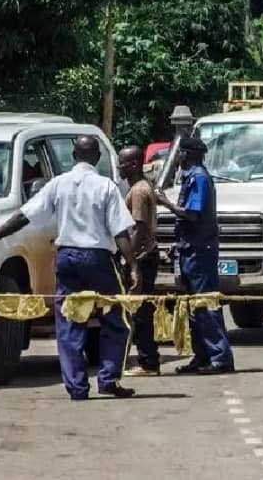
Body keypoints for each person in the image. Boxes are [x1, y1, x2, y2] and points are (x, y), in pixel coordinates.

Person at [0, 136, 140, 401]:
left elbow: (23, 216)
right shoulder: (105, 186)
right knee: (116, 319)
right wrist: (133, 265)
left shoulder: (57, 184)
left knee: (69, 322)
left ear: (73, 156)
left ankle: (77, 388)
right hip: (97, 259)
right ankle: (108, 379)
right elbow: (120, 232)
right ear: (96, 158)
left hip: (67, 258)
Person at [155, 137, 235, 374]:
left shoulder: (199, 177)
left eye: (180, 154)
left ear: (188, 154)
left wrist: (165, 203)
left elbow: (192, 214)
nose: (178, 158)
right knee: (193, 305)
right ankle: (202, 355)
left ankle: (219, 356)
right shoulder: (191, 177)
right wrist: (176, 244)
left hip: (201, 251)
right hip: (189, 248)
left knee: (206, 302)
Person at [117, 145, 162, 377]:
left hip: (142, 258)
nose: (118, 167)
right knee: (140, 310)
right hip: (145, 256)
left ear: (134, 164)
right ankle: (147, 359)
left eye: (122, 163)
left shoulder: (138, 191)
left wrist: (129, 261)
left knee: (140, 312)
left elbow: (139, 228)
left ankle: (148, 362)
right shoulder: (142, 187)